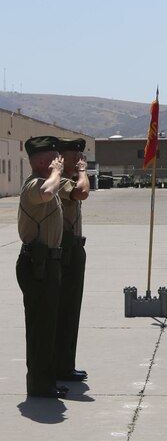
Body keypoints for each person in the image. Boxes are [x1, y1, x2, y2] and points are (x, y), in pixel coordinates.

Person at [16, 136, 66, 398]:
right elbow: (46, 193)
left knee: (47, 327)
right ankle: (39, 384)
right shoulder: (34, 185)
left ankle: (46, 381)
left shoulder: (47, 182)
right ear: (44, 161)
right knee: (39, 327)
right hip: (37, 265)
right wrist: (57, 173)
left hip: (47, 263)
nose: (59, 162)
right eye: (55, 158)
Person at [55, 138, 90, 382]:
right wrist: (83, 172)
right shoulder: (61, 181)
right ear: (62, 157)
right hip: (64, 252)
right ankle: (60, 366)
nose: (79, 160)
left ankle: (66, 365)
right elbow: (82, 192)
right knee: (64, 310)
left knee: (71, 311)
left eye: (80, 156)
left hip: (74, 248)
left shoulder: (68, 179)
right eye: (74, 156)